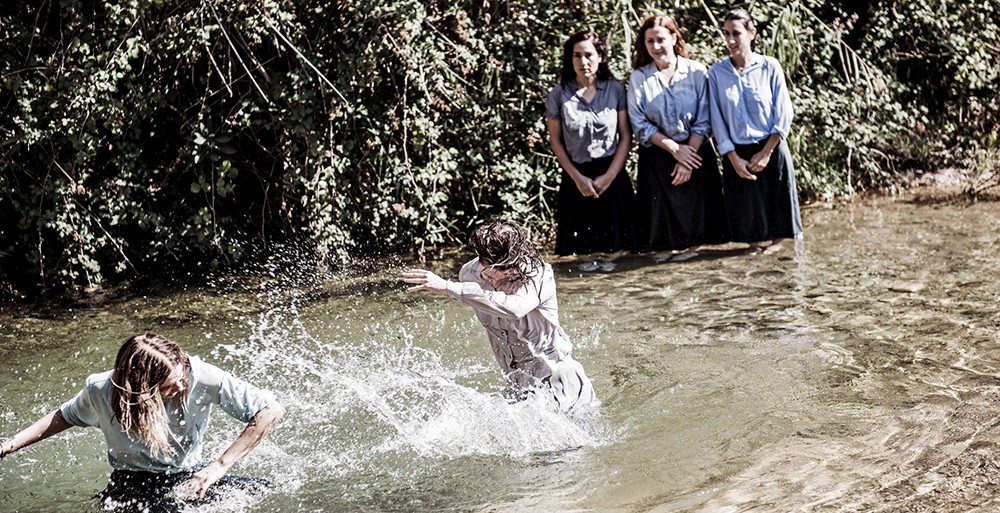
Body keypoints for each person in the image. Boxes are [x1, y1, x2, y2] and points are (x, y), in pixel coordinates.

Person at [0, 333, 284, 513]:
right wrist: (9, 445)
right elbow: (64, 416)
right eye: (172, 386)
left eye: (182, 375)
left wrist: (218, 467)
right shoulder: (101, 390)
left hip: (188, 475)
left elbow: (269, 411)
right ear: (142, 389)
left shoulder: (200, 376)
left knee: (259, 489)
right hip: (131, 484)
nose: (183, 385)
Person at [401, 220, 598, 411]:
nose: (497, 282)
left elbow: (515, 309)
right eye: (490, 275)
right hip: (520, 387)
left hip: (559, 379)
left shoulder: (539, 275)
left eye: (506, 275)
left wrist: (448, 287)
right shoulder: (468, 275)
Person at [628, 14, 728, 262]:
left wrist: (686, 158)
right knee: (661, 248)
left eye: (660, 39)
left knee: (702, 246)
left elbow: (705, 118)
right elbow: (639, 124)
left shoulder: (696, 71)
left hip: (696, 157)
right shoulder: (639, 78)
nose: (656, 46)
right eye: (649, 41)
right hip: (657, 159)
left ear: (674, 37)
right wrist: (674, 149)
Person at [708, 8, 803, 254]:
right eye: (726, 33)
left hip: (771, 148)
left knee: (782, 232)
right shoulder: (716, 73)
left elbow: (783, 113)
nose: (729, 40)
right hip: (737, 155)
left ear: (752, 34)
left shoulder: (769, 67)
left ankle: (784, 274)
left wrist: (767, 152)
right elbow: (717, 119)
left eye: (736, 34)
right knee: (750, 237)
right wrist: (732, 158)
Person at [545, 30, 636, 270]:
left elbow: (626, 136)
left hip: (612, 175)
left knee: (618, 255)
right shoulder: (559, 94)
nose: (583, 62)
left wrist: (610, 176)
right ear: (569, 59)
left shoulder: (616, 90)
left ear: (600, 57)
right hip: (576, 177)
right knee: (580, 258)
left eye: (588, 55)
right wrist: (577, 178)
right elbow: (556, 142)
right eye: (576, 55)